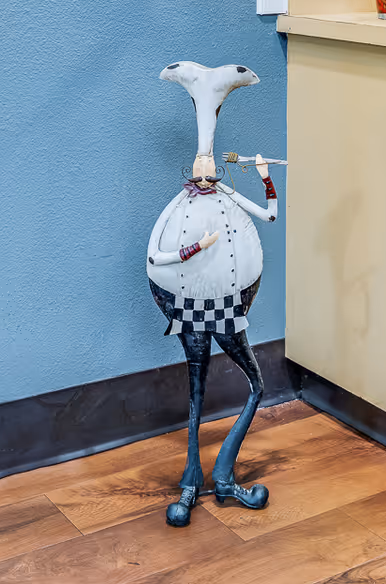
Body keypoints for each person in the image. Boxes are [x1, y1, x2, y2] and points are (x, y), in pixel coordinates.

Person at [147, 61, 278, 527]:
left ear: (215, 171)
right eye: (199, 173)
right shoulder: (182, 207)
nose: (205, 179)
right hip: (187, 308)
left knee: (253, 385)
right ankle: (194, 479)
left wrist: (265, 177)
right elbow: (154, 261)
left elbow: (269, 218)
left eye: (210, 172)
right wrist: (192, 250)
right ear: (193, 172)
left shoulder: (224, 197)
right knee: (196, 388)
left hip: (229, 307)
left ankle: (219, 477)